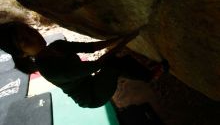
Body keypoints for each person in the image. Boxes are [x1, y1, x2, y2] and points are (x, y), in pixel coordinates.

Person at [0, 21, 167, 108]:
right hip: (92, 97)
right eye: (25, 41)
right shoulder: (50, 70)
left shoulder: (56, 46)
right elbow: (97, 64)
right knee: (114, 65)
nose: (33, 36)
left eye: (29, 30)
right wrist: (126, 41)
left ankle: (144, 72)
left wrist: (116, 39)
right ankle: (151, 76)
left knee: (119, 62)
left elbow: (90, 47)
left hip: (89, 81)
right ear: (22, 54)